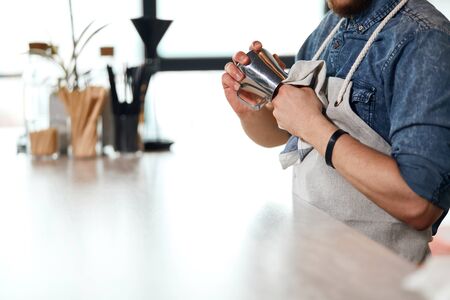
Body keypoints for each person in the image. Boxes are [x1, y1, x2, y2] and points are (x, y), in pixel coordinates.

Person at [222, 0, 450, 263]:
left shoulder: (426, 41)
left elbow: (418, 204)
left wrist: (313, 125)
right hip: (313, 265)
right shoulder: (329, 29)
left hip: (381, 280)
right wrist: (251, 111)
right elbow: (286, 136)